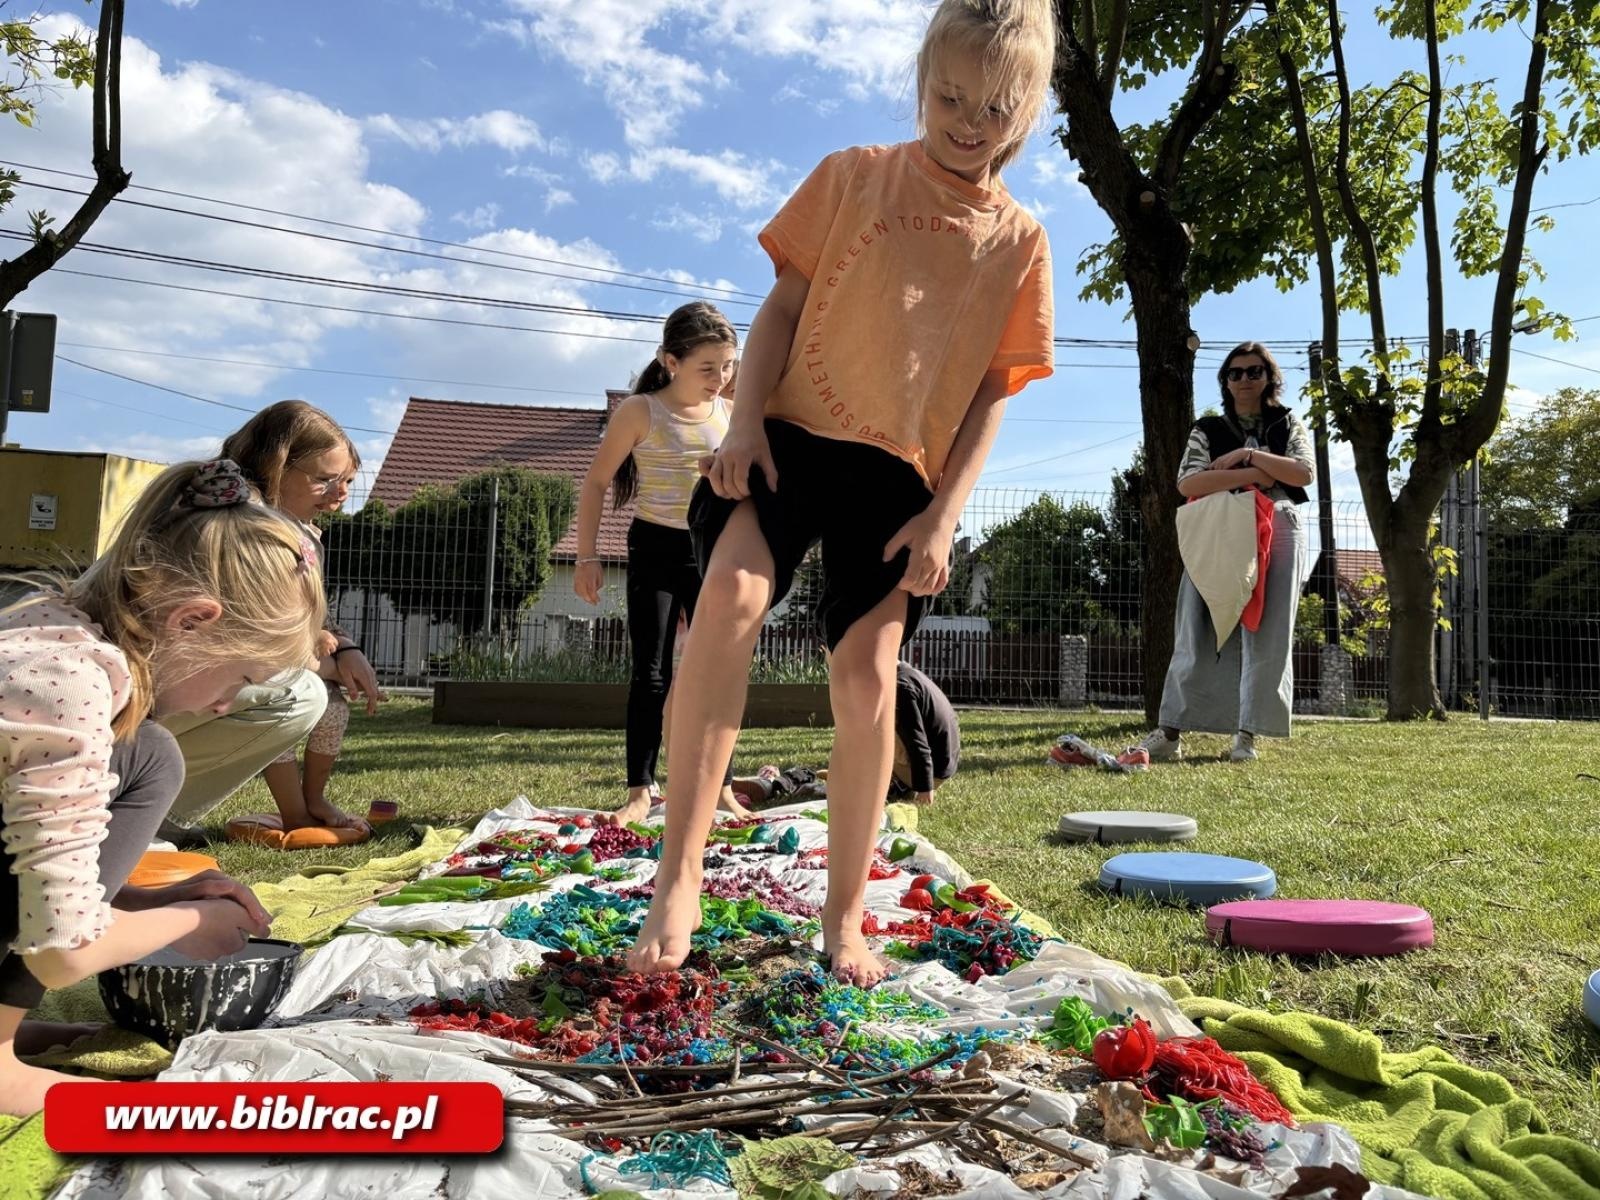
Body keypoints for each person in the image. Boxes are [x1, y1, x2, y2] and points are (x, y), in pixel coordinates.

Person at [626, 0, 1056, 985]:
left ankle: (845, 919)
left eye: (994, 105)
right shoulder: (853, 176)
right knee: (728, 603)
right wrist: (738, 427)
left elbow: (995, 389)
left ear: (1026, 109)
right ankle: (678, 875)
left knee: (864, 680)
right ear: (922, 81)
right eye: (949, 95)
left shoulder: (1020, 243)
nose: (967, 120)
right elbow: (778, 307)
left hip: (898, 477)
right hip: (784, 438)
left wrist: (944, 514)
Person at [0, 459, 317, 1114]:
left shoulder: (52, 632)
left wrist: (150, 905)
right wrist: (193, 919)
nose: (229, 705)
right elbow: (62, 950)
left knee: (146, 750)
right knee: (151, 757)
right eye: (242, 678)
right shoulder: (70, 685)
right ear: (193, 622)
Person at [573, 303, 747, 827]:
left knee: (718, 673)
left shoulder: (730, 412)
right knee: (651, 672)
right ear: (670, 361)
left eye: (729, 366)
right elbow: (596, 482)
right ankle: (640, 791)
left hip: (710, 552)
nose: (721, 379)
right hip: (654, 548)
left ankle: (721, 788)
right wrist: (585, 556)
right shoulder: (641, 411)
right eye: (708, 368)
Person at [1136, 342, 1314, 764]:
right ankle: (1171, 732)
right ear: (1225, 381)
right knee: (1196, 626)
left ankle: (1247, 736)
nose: (1245, 379)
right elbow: (1189, 484)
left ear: (1269, 377)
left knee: (1268, 631)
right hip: (1218, 530)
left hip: (1278, 528)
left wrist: (1247, 456)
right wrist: (1261, 471)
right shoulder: (1207, 428)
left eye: (1254, 371)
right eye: (1235, 372)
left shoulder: (1287, 423)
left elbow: (1304, 474)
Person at [209, 401, 381, 835]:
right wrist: (329, 663)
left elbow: (310, 609)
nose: (340, 493)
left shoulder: (301, 532)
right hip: (233, 671)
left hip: (278, 662)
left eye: (346, 481)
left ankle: (311, 799)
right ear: (274, 467)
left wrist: (344, 647)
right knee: (292, 699)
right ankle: (295, 813)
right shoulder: (251, 532)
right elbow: (263, 629)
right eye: (325, 480)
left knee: (332, 708)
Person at [892, 661, 959, 805]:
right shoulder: (909, 675)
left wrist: (924, 790)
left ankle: (899, 783)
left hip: (933, 773)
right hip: (943, 764)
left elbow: (917, 743)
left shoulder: (901, 688)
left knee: (874, 729)